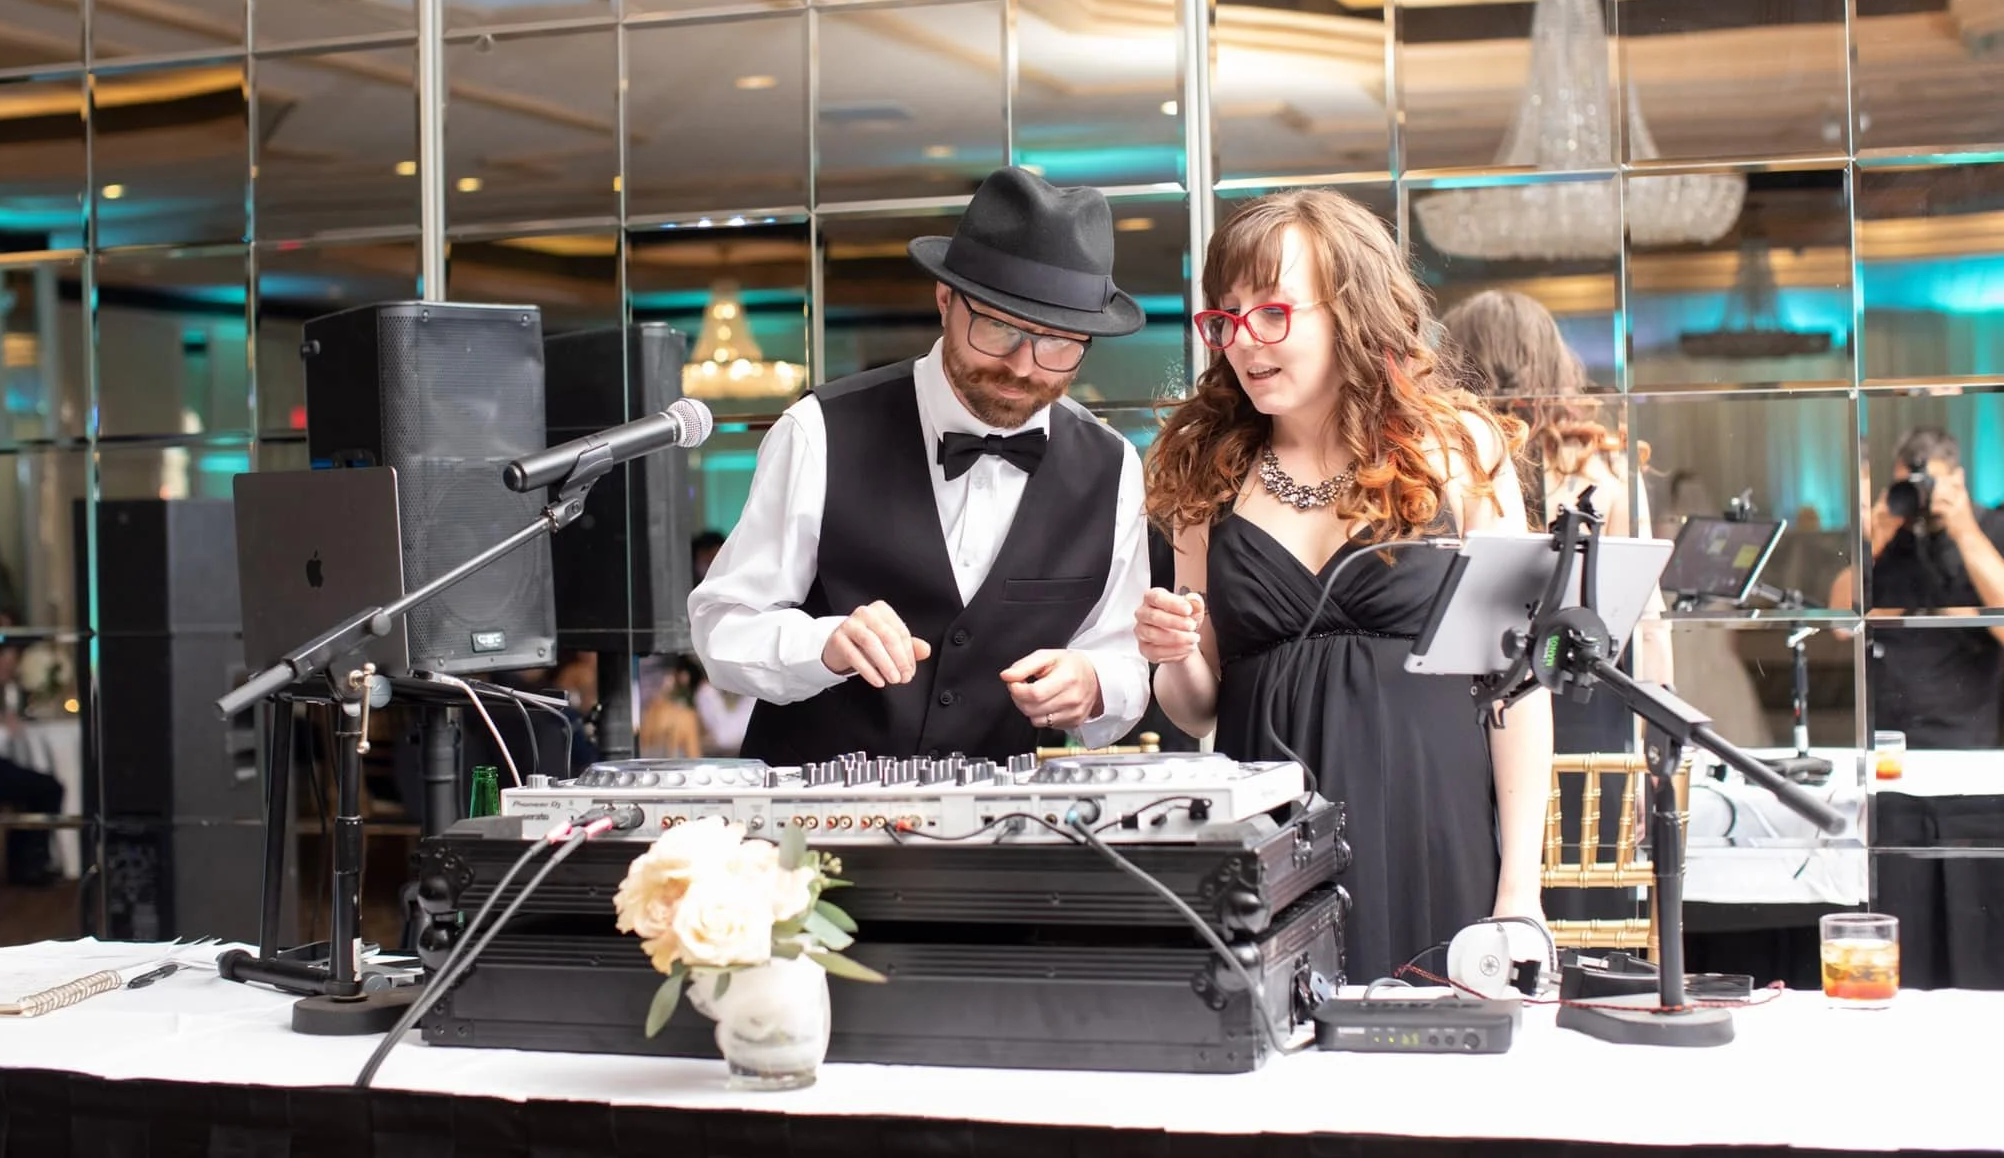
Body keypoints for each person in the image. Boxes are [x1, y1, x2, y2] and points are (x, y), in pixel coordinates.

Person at [1134, 188, 1551, 984]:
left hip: (1434, 821)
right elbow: (1198, 707)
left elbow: (1519, 687)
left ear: (1351, 310)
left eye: (1272, 312)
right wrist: (1175, 653)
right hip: (1273, 841)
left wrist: (1520, 894)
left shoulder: (1459, 450)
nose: (1242, 340)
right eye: (1226, 317)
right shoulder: (1205, 474)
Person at [690, 166, 1152, 766]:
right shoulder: (817, 431)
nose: (1023, 365)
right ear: (944, 300)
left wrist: (1093, 683)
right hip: (814, 809)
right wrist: (823, 644)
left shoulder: (1111, 467)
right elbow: (723, 627)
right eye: (999, 328)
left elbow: (1124, 659)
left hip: (1000, 812)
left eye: (1058, 342)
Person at [1442, 288, 1674, 925]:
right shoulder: (1604, 464)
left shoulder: (1460, 460)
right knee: (1588, 905)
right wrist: (1652, 751)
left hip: (1484, 706)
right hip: (1588, 705)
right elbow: (1648, 623)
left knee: (1484, 895)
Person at [1830, 426, 2004, 748]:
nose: (1921, 496)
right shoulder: (1888, 535)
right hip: (1887, 735)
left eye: (1929, 484)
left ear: (1958, 480)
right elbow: (1839, 622)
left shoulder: (1991, 530)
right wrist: (1872, 545)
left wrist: (1965, 531)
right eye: (1908, 485)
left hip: (1965, 736)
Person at [0, 637, 65, 885]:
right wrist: (5, 730)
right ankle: (29, 866)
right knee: (48, 788)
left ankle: (26, 862)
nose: (11, 667)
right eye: (6, 659)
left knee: (39, 786)